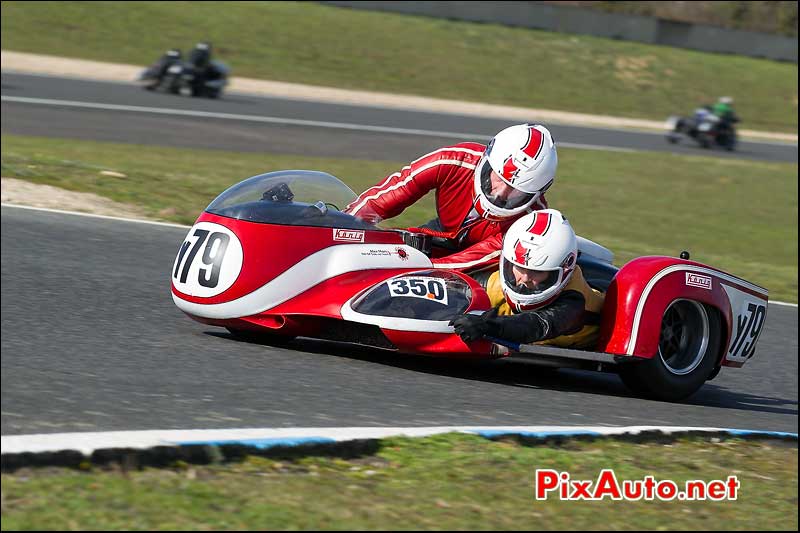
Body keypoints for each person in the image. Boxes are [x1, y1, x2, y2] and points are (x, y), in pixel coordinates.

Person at [345, 124, 558, 273]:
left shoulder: (529, 223)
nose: (501, 193)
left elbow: (467, 262)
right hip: (439, 234)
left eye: (516, 191)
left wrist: (410, 269)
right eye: (499, 179)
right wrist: (344, 228)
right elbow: (385, 197)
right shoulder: (453, 160)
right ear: (488, 160)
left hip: (481, 266)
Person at [449, 209, 605, 349]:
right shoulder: (495, 283)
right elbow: (451, 288)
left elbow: (538, 325)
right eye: (519, 267)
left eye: (536, 272)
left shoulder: (573, 301)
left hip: (598, 302)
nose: (524, 278)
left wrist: (488, 326)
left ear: (561, 271)